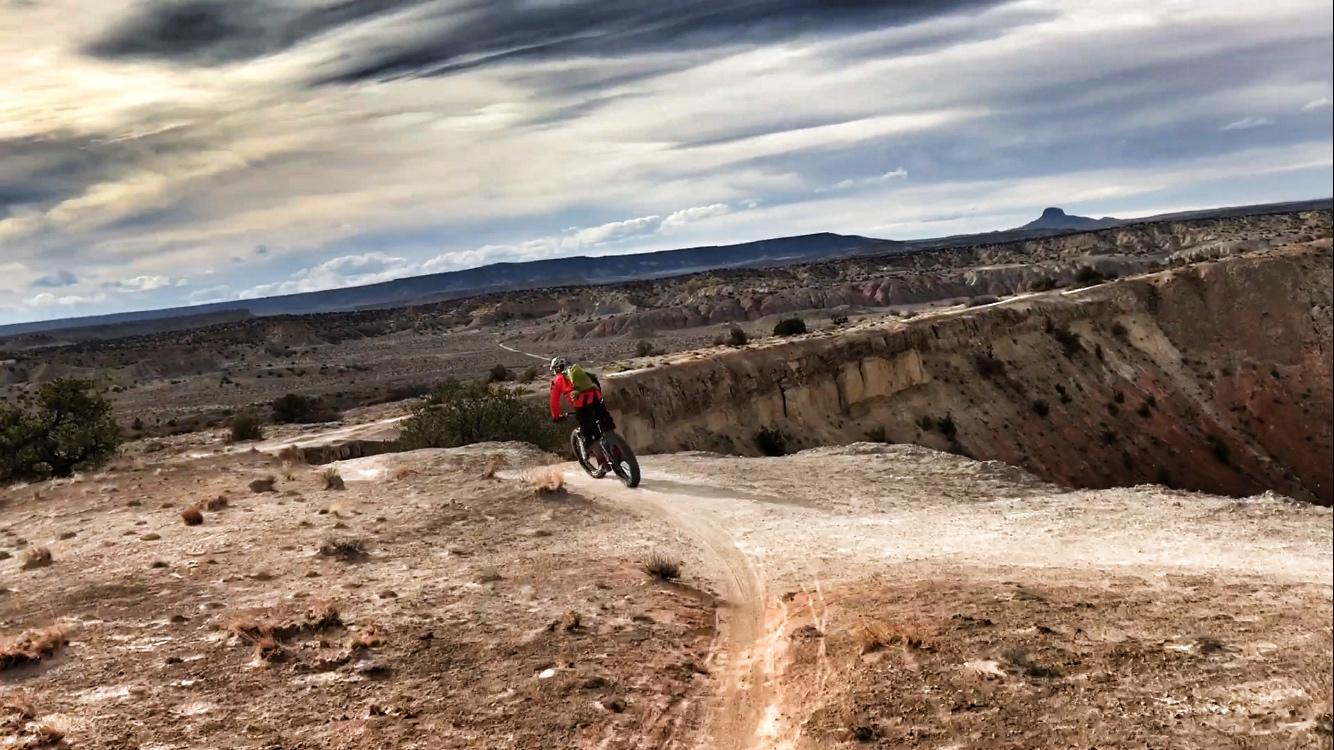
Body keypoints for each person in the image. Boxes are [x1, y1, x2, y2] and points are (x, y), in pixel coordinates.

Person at [549, 356, 614, 476]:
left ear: (556, 369)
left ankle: (602, 464)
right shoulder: (578, 371)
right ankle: (617, 449)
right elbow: (595, 380)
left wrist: (556, 416)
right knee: (606, 423)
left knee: (589, 435)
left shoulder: (558, 379)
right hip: (596, 397)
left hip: (582, 403)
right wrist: (599, 398)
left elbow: (554, 401)